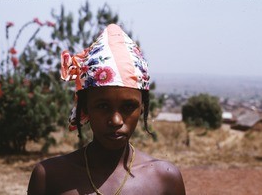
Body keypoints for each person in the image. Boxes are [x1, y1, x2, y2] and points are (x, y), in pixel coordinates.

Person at [27, 24, 186, 195]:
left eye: (128, 107)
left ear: (142, 108)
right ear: (85, 108)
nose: (116, 121)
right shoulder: (50, 177)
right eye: (103, 106)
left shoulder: (164, 179)